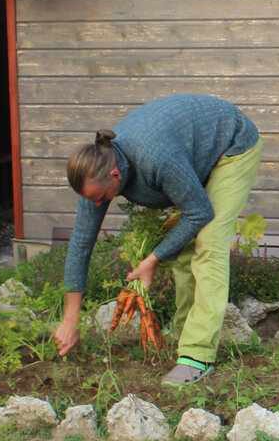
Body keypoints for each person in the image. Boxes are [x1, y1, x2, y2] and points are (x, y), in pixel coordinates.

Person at [54, 94, 262, 385]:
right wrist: (70, 319)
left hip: (232, 145)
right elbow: (80, 245)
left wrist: (151, 260)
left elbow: (199, 212)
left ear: (115, 175)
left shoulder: (155, 159)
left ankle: (197, 356)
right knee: (184, 249)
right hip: (191, 155)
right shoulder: (94, 175)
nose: (97, 205)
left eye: (101, 198)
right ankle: (183, 329)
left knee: (209, 245)